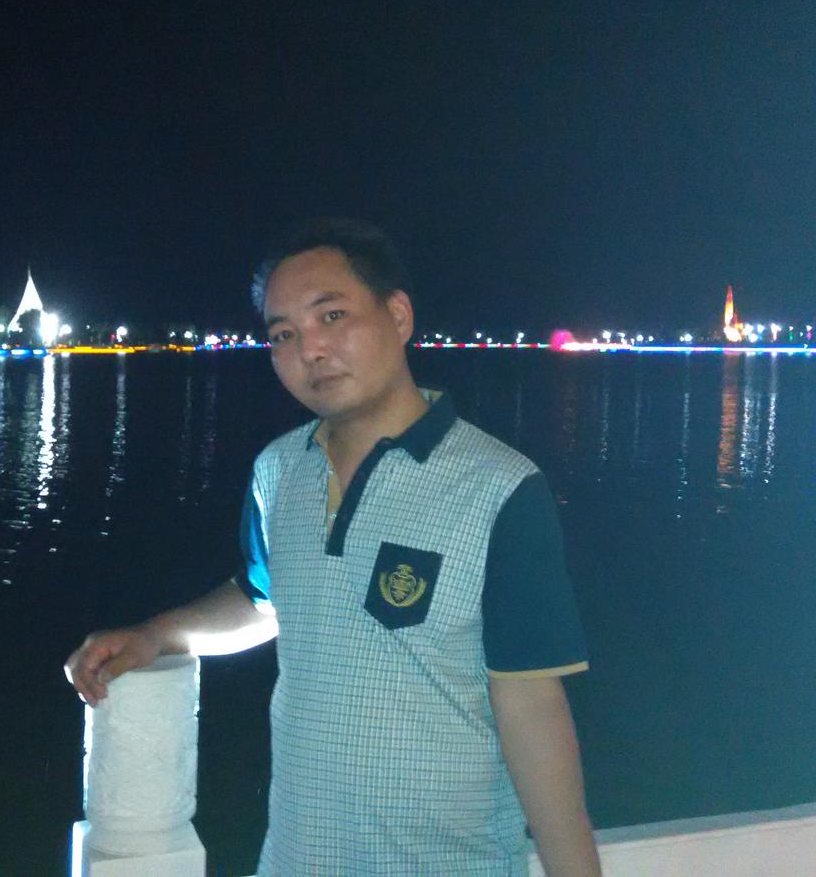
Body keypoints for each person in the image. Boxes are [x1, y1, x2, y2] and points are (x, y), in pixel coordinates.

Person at [65, 218, 599, 876]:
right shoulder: (278, 471)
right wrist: (156, 636)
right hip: (296, 859)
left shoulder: (500, 488)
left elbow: (531, 705)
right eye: (283, 334)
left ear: (397, 316)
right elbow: (265, 599)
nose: (310, 349)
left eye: (332, 316)